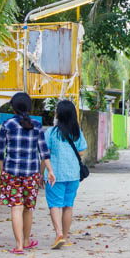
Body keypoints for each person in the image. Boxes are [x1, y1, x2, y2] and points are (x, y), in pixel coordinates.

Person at [0, 92, 55, 254]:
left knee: (16, 207)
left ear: (13, 108)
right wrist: (50, 170)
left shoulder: (7, 125)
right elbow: (43, 151)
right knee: (28, 208)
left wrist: (3, 172)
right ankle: (27, 240)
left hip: (11, 173)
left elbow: (0, 152)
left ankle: (19, 245)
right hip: (31, 173)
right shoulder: (36, 125)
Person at [44, 100, 87, 249]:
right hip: (73, 174)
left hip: (55, 174)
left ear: (59, 114)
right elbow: (81, 151)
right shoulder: (77, 132)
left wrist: (40, 172)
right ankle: (66, 236)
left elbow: (45, 154)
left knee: (55, 204)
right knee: (68, 205)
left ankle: (58, 234)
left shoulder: (51, 133)